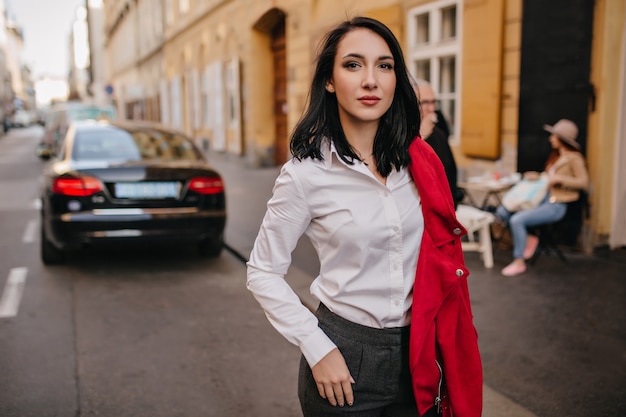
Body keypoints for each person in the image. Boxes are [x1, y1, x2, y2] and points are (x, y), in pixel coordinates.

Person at [246, 16, 482, 417]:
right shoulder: (306, 175)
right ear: (329, 80)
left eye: (384, 65)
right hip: (344, 356)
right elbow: (262, 271)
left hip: (421, 351)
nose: (371, 80)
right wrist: (316, 347)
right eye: (353, 65)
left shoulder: (419, 162)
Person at [496, 119, 589, 276]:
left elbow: (584, 182)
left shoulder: (575, 158)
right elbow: (549, 178)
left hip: (556, 205)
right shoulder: (557, 157)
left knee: (517, 220)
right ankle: (529, 238)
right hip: (542, 200)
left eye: (553, 136)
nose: (550, 139)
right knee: (503, 212)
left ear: (561, 138)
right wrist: (537, 176)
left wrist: (559, 179)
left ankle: (519, 261)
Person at [411, 78, 464, 208]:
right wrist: (422, 135)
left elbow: (450, 168)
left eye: (434, 102)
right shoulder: (400, 133)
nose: (432, 108)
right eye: (425, 103)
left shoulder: (438, 130)